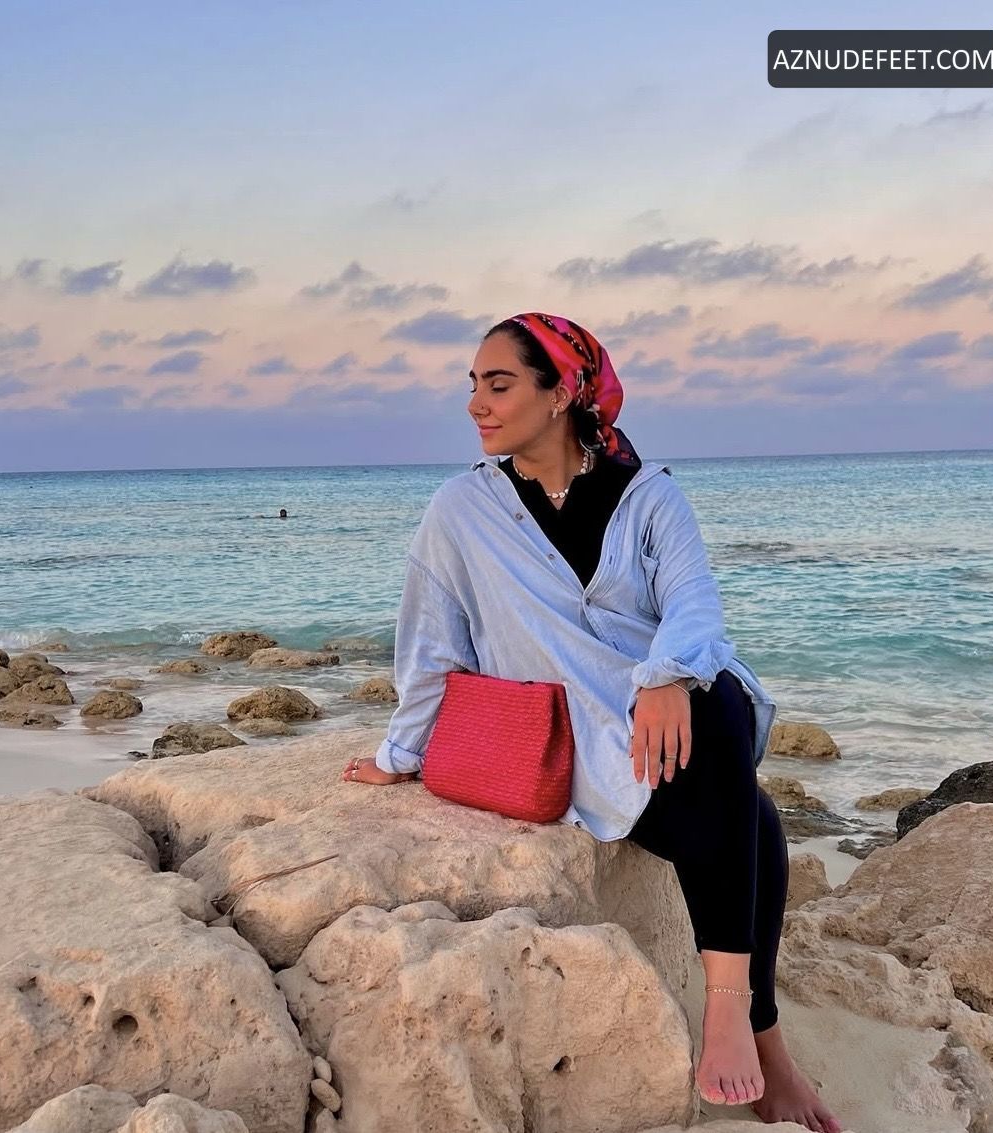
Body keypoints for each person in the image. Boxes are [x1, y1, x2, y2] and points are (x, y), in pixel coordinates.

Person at [341, 313, 841, 1133]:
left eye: (498, 383)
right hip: (565, 744)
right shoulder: (460, 510)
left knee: (719, 706)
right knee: (746, 812)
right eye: (473, 384)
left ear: (561, 392)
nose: (475, 403)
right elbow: (430, 643)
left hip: (658, 730)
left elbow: (694, 604)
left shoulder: (649, 495)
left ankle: (734, 1012)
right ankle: (760, 1033)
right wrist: (400, 751)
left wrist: (664, 674)